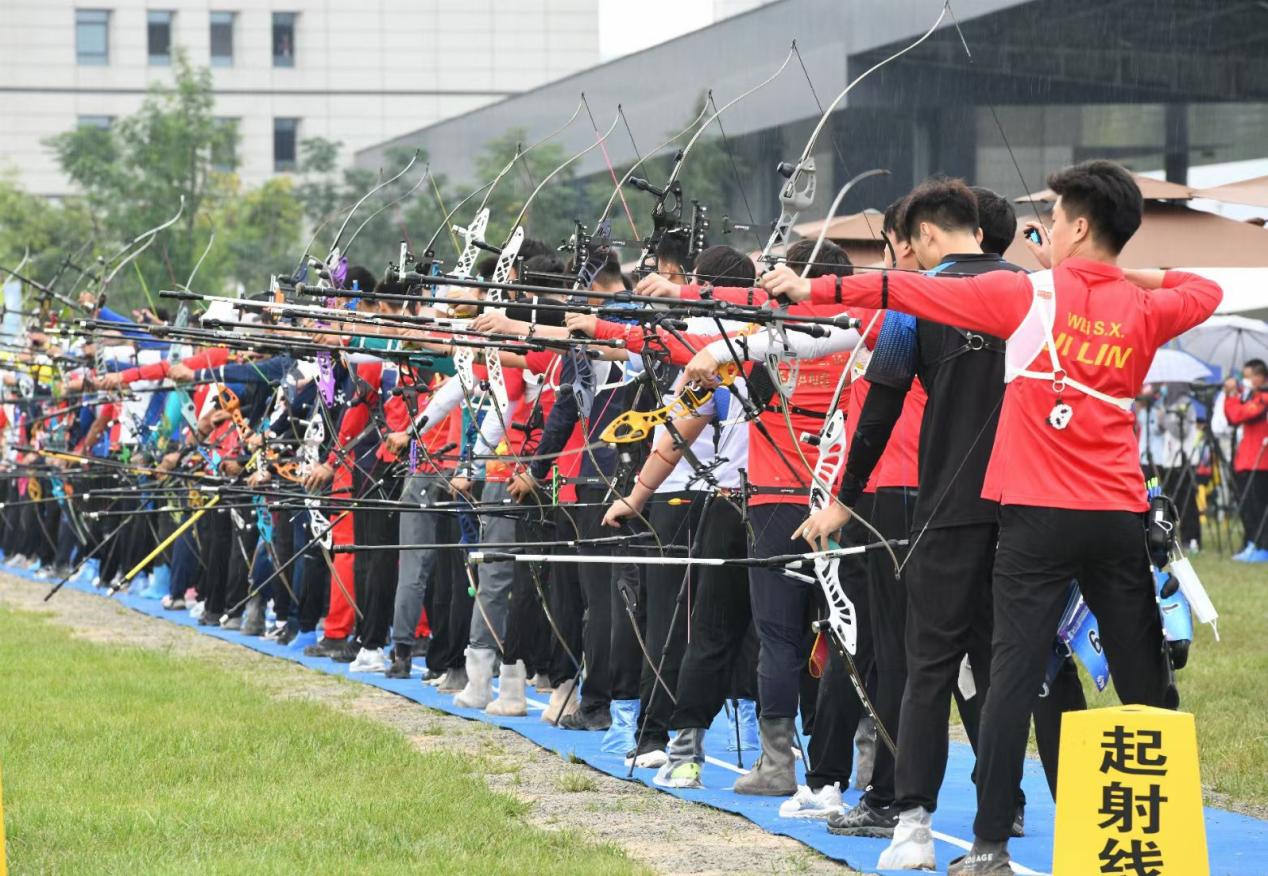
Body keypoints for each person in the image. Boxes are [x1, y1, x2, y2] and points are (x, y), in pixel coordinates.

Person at [772, 159, 1222, 873]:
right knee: (1137, 676)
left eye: (1059, 218)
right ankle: (1154, 837)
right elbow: (1203, 289)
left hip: (1028, 517)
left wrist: (813, 288)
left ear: (1079, 226)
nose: (1051, 229)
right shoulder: (1134, 306)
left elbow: (904, 289)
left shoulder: (1024, 295)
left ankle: (985, 847)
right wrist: (1107, 271)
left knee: (1004, 675)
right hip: (1116, 513)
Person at [1225, 358, 1268, 561]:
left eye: (1248, 377)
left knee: (1258, 507)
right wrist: (1232, 395)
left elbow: (1238, 415)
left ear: (1260, 377)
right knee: (1248, 507)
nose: (1245, 380)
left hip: (1260, 462)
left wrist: (1233, 396)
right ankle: (1252, 543)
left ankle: (1262, 547)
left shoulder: (1263, 398)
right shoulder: (1252, 396)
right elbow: (1231, 417)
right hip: (1246, 460)